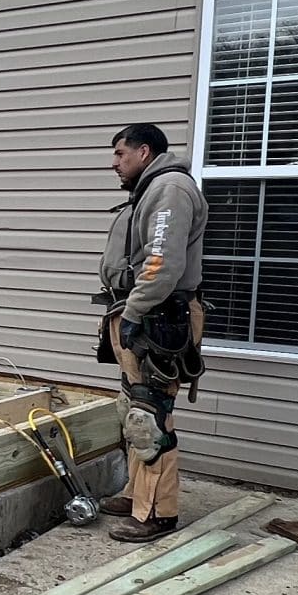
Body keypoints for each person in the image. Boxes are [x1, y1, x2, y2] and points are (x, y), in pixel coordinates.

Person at [92, 121, 207, 542]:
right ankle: (136, 493)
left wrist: (137, 312)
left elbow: (162, 264)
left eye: (120, 154)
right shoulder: (152, 189)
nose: (114, 164)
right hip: (141, 311)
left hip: (160, 316)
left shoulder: (169, 190)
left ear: (144, 152)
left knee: (151, 415)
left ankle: (159, 512)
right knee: (133, 408)